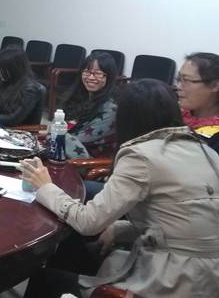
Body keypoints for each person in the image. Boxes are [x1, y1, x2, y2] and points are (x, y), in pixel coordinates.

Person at [21, 79, 219, 298]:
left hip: (173, 279)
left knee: (45, 278)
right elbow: (181, 221)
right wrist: (121, 229)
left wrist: (46, 186)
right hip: (209, 276)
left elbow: (88, 222)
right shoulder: (204, 150)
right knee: (79, 245)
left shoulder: (140, 155)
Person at [59, 52, 119, 158]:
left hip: (88, 161)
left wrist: (56, 132)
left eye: (98, 73)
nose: (91, 77)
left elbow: (78, 140)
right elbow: (60, 124)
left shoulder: (111, 109)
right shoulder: (79, 97)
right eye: (87, 72)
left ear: (109, 77)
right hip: (64, 151)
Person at [177, 52, 219, 138]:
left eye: (186, 80)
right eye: (178, 79)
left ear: (215, 85)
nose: (178, 86)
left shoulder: (215, 136)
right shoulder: (174, 112)